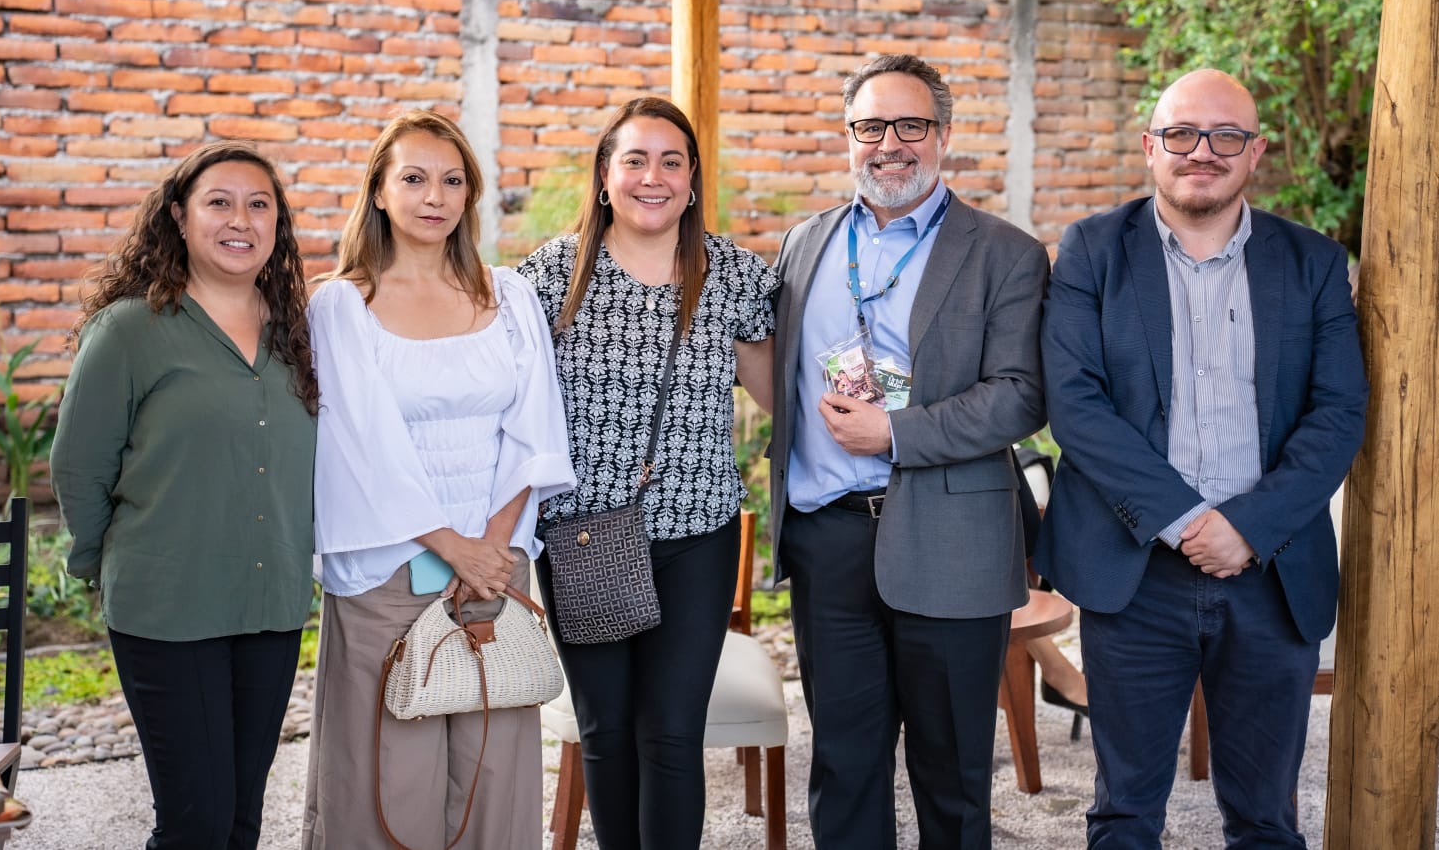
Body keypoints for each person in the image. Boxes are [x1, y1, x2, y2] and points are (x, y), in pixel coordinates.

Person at [1033, 68, 1369, 847]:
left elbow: (1337, 412)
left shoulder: (1313, 263)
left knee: (1264, 818)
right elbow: (1075, 407)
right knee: (1123, 813)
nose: (1201, 152)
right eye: (1181, 134)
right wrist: (1186, 521)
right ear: (1150, 147)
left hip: (1270, 571)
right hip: (1135, 569)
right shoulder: (1091, 250)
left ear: (1254, 153)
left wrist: (1246, 527)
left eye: (1225, 137)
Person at [768, 53, 1049, 850]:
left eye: (910, 124)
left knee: (952, 774)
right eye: (869, 126)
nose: (888, 143)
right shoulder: (804, 244)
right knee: (844, 768)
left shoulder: (1006, 253)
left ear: (943, 134)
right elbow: (777, 371)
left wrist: (895, 432)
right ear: (846, 137)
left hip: (952, 537)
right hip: (829, 539)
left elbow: (1021, 394)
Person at [300, 110, 575, 849]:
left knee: (493, 764)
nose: (435, 196)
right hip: (389, 559)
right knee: (387, 771)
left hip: (495, 560)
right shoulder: (340, 305)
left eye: (453, 180)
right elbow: (359, 445)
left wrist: (489, 548)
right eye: (414, 178)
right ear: (380, 192)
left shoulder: (509, 294)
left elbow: (535, 428)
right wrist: (451, 544)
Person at [517, 96, 775, 849]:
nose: (651, 177)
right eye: (633, 160)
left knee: (670, 736)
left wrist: (889, 408)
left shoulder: (729, 274)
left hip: (698, 538)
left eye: (671, 161)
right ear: (604, 178)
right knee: (605, 732)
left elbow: (779, 392)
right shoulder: (549, 276)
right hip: (583, 539)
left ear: (692, 181)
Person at [51, 140, 318, 849]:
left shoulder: (299, 333)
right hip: (168, 607)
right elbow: (80, 467)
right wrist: (104, 564)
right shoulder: (130, 330)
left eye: (259, 204)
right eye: (219, 202)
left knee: (239, 820)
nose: (241, 220)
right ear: (179, 216)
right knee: (195, 823)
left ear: (277, 224)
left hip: (271, 605)